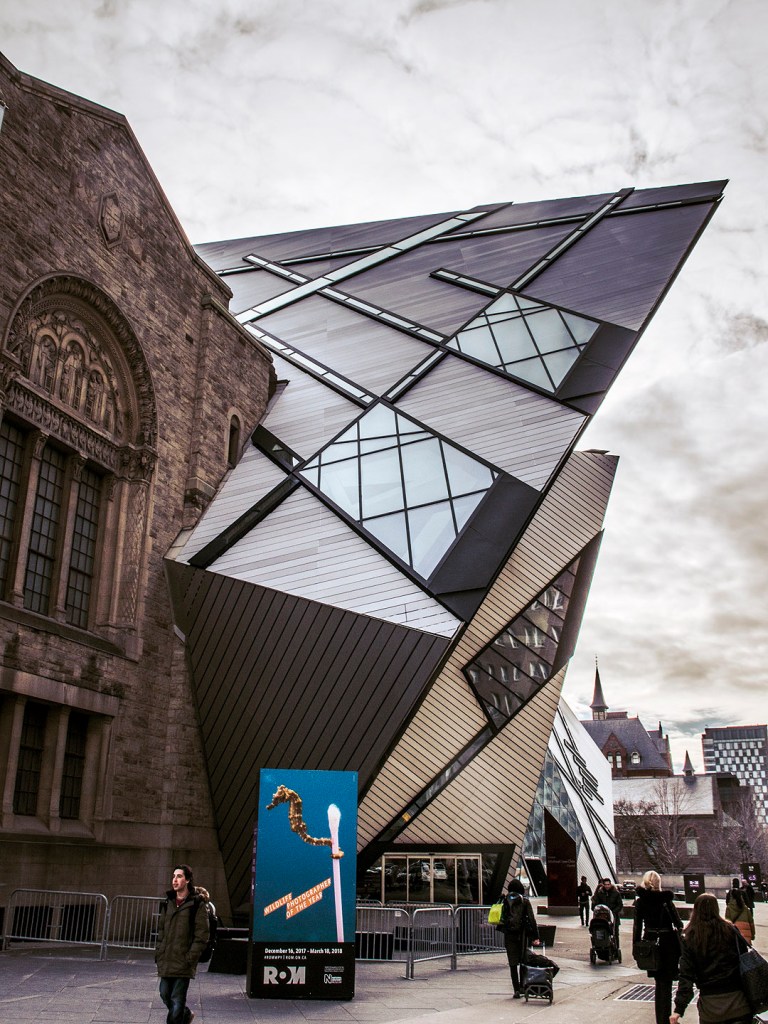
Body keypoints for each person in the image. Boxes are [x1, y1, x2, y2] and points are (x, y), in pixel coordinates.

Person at [670, 892, 751, 1024]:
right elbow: (744, 960)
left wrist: (679, 1009)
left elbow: (686, 976)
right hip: (738, 1003)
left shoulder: (690, 937)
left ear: (695, 910)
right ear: (716, 909)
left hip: (710, 1008)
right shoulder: (731, 930)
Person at [155, 864, 210, 1024]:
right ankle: (185, 1015)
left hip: (184, 960)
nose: (175, 880)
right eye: (173, 876)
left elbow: (202, 935)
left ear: (187, 880)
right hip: (167, 958)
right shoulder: (168, 902)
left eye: (179, 876)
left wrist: (190, 957)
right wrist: (159, 951)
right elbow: (161, 930)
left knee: (177, 999)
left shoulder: (196, 905)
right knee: (165, 994)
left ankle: (179, 1017)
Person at [633, 870, 683, 1024]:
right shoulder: (666, 901)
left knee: (659, 982)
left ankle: (661, 1019)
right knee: (666, 983)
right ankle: (666, 1018)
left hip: (651, 944)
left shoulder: (641, 902)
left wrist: (636, 947)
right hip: (668, 944)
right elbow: (678, 923)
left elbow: (637, 926)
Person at [499, 878, 540, 998]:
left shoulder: (505, 900)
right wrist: (535, 936)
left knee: (512, 963)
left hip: (509, 934)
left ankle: (516, 989)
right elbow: (532, 919)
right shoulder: (525, 901)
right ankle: (522, 987)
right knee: (522, 960)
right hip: (521, 934)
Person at [593, 877, 623, 948]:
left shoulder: (616, 893)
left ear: (610, 884)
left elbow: (620, 905)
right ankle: (601, 946)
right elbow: (596, 904)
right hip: (603, 917)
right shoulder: (600, 893)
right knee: (602, 932)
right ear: (603, 885)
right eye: (605, 884)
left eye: (608, 884)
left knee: (615, 933)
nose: (607, 886)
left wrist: (613, 911)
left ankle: (616, 948)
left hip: (614, 916)